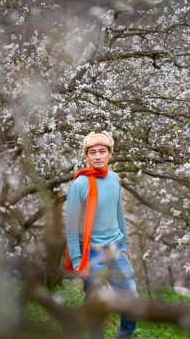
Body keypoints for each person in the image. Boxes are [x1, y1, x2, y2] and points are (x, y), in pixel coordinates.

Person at [65, 131, 137, 339]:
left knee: (131, 297)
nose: (97, 156)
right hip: (92, 254)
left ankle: (125, 335)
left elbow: (119, 213)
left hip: (116, 248)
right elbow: (71, 227)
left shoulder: (115, 179)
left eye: (102, 151)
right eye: (92, 152)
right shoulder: (79, 185)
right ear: (86, 156)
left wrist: (126, 245)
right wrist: (78, 261)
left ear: (110, 154)